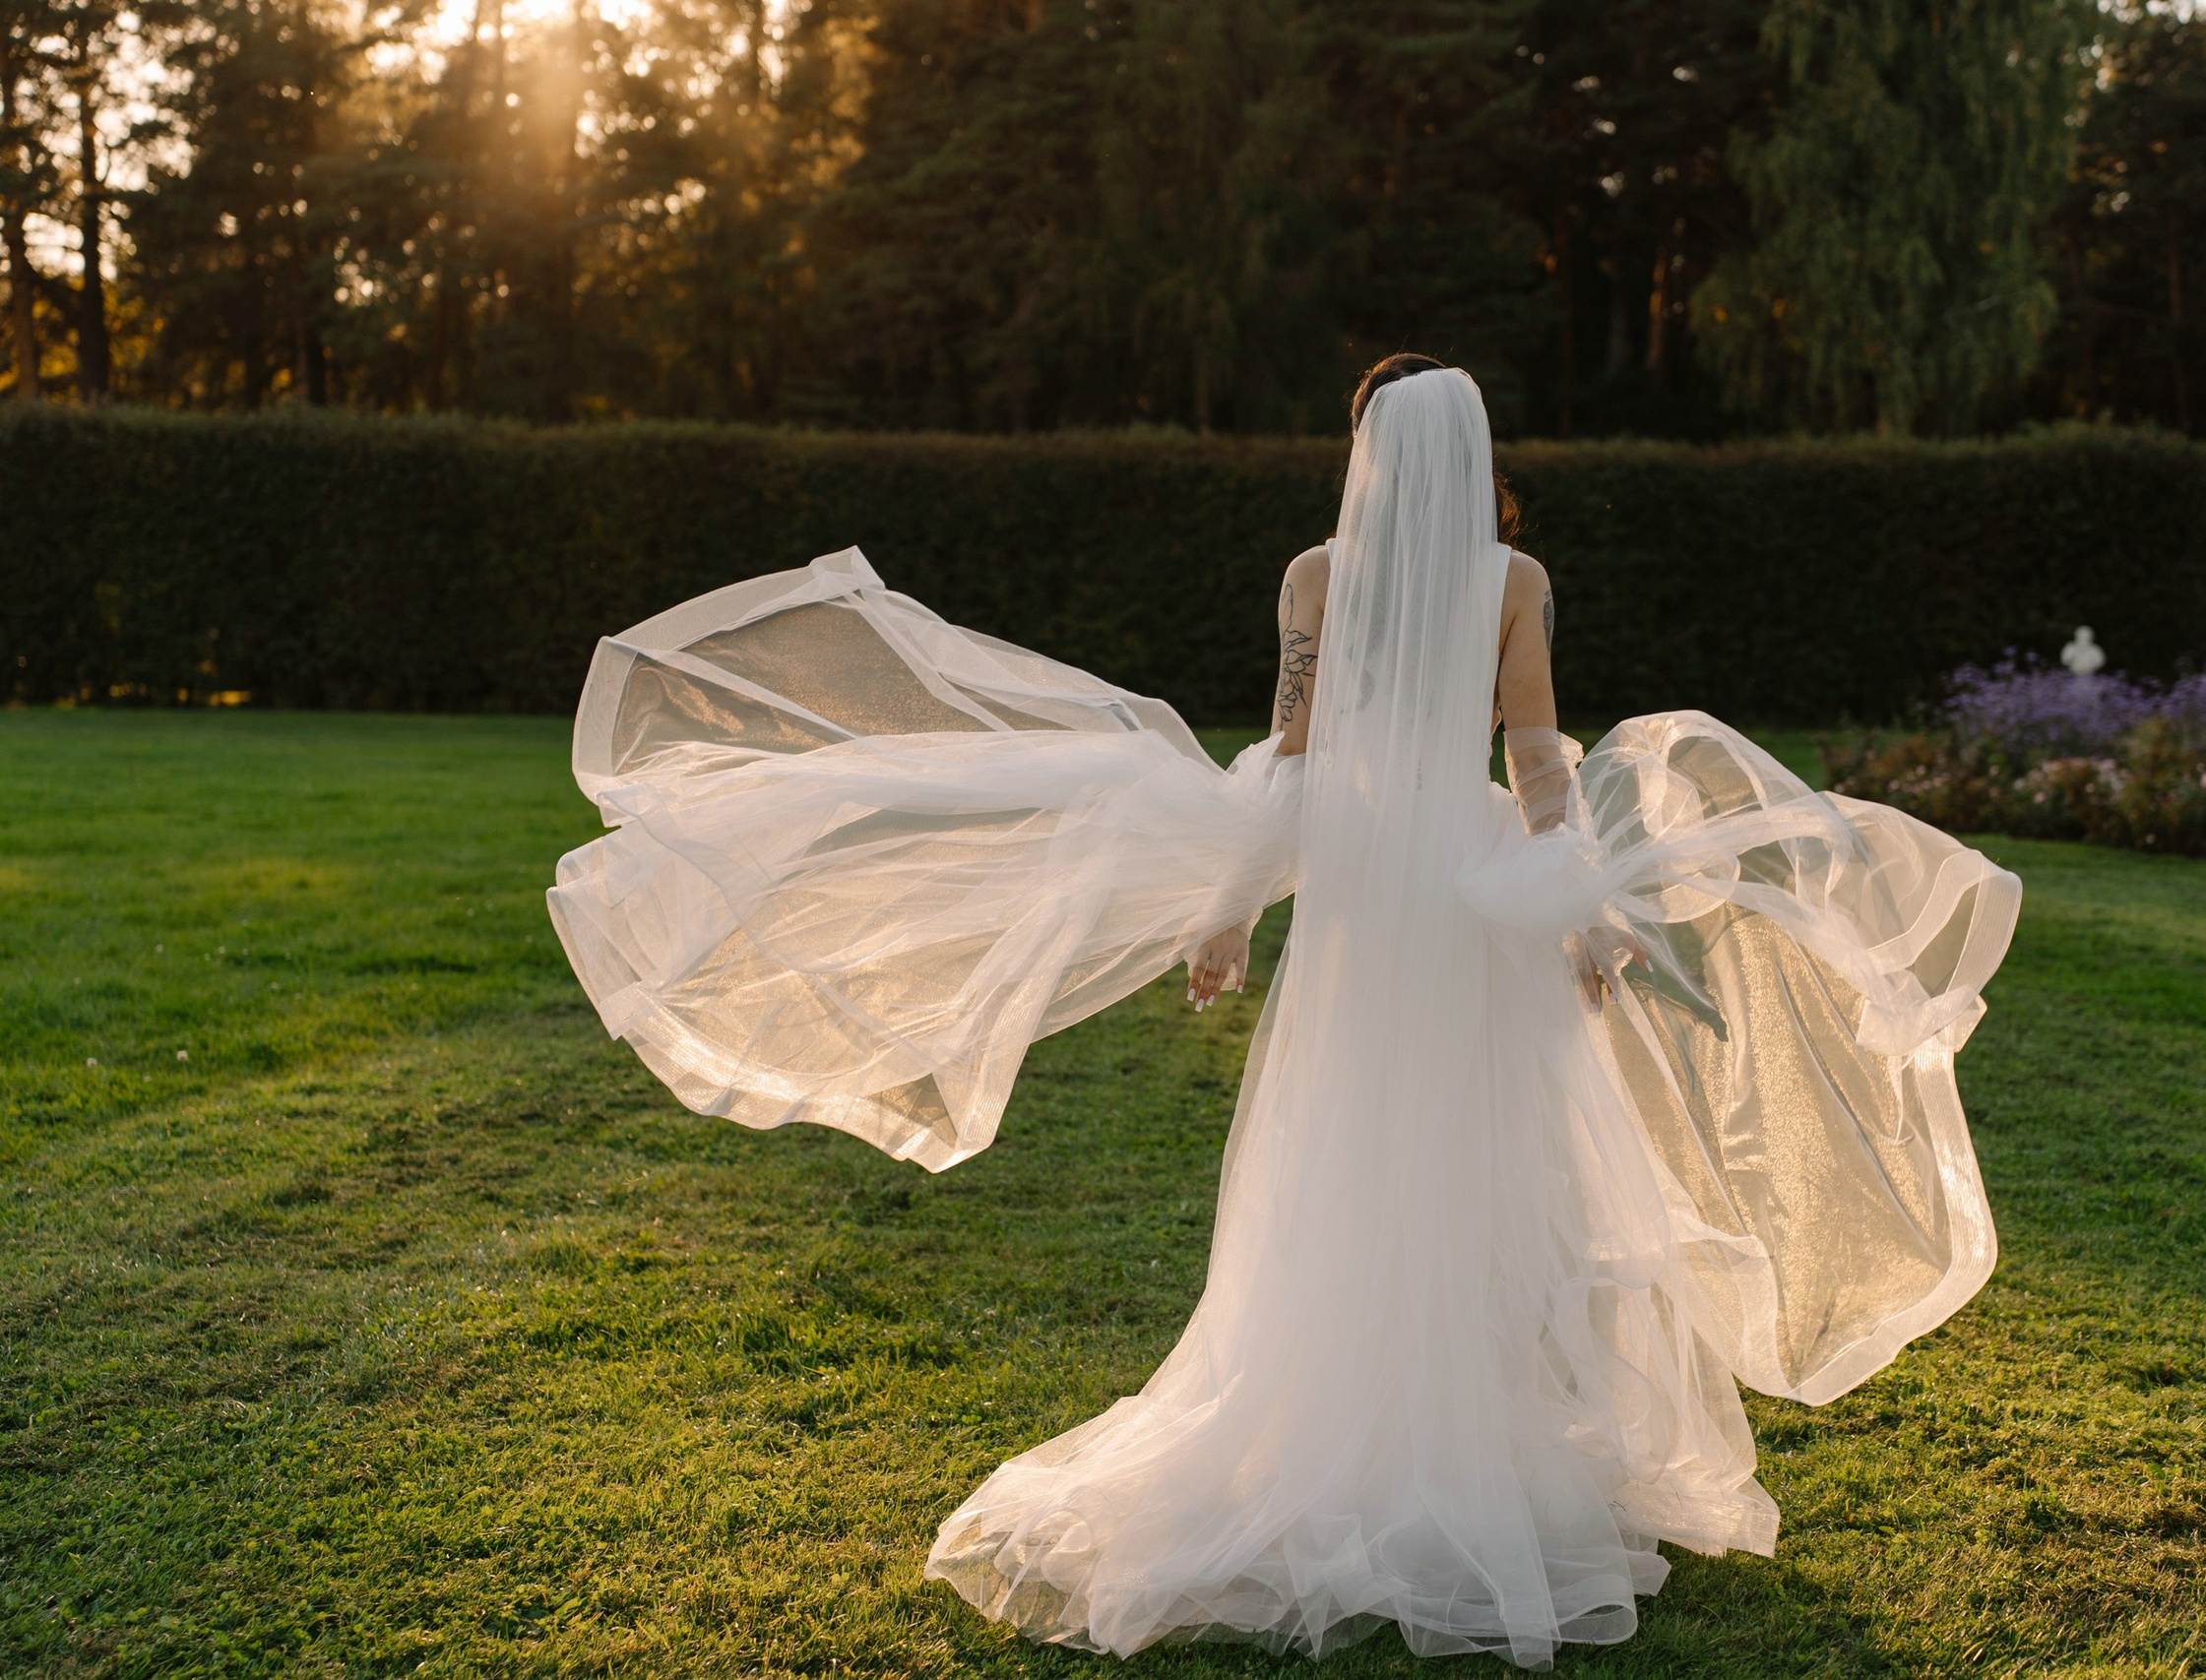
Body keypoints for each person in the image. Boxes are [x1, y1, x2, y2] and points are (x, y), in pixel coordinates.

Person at [548, 355, 2020, 1667]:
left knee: (1352, 1153)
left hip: (1365, 896)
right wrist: (1573, 900)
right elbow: (1536, 763)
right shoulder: (1513, 585)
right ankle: (1470, 1446)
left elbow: (1294, 752)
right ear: (1475, 453)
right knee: (1488, 1170)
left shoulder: (1317, 575)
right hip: (1461, 886)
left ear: (1369, 452)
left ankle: (1370, 1427)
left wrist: (1231, 912)